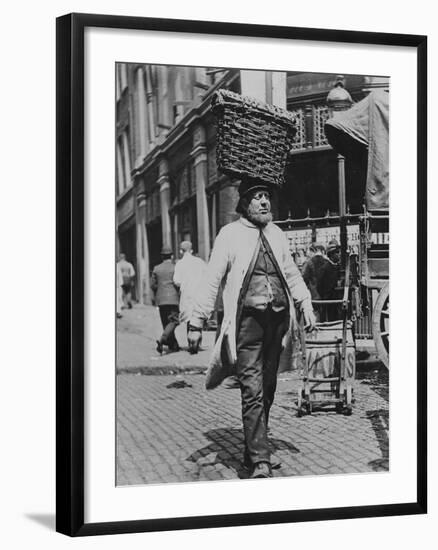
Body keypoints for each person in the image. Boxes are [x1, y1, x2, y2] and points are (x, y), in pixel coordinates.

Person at [187, 178, 316, 478]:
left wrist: (305, 303)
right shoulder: (229, 235)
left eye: (266, 196)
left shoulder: (278, 234)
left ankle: (254, 448)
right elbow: (211, 278)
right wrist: (196, 321)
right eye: (256, 197)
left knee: (267, 388)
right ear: (244, 204)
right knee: (252, 389)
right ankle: (260, 460)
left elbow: (292, 274)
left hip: (277, 324)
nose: (263, 202)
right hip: (246, 326)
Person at [173, 241, 207, 344]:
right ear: (191, 250)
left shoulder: (180, 263)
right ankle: (198, 339)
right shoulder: (200, 262)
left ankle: (191, 342)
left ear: (180, 251)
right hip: (199, 293)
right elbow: (207, 276)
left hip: (187, 294)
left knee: (188, 316)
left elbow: (177, 281)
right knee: (198, 315)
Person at [150, 246, 180, 354]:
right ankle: (163, 339)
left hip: (161, 300)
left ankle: (173, 345)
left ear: (162, 256)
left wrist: (158, 292)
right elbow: (179, 282)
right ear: (172, 256)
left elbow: (153, 285)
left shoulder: (156, 268)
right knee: (174, 321)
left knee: (166, 322)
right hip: (174, 298)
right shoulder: (175, 267)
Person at [302, 243, 330, 321]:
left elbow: (304, 278)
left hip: (314, 295)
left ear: (314, 250)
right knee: (325, 316)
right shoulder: (327, 262)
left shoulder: (309, 263)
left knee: (315, 316)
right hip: (326, 296)